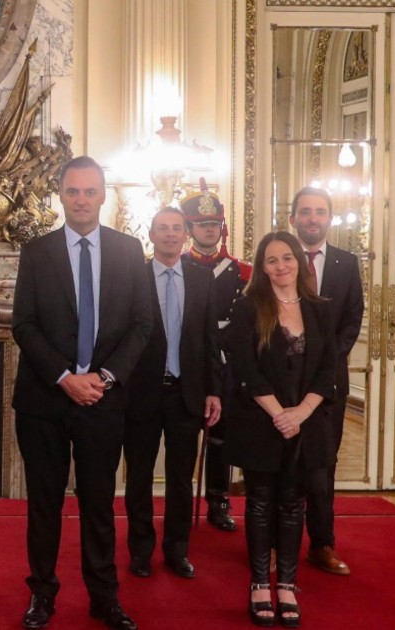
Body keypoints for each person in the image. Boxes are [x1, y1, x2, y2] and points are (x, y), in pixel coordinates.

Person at [11, 156, 152, 630]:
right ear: (61, 195)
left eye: (90, 191)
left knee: (98, 504)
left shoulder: (129, 250)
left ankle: (104, 598)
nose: (82, 200)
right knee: (44, 504)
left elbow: (141, 324)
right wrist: (65, 377)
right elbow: (24, 325)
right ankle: (42, 595)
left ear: (103, 195)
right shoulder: (36, 252)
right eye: (73, 191)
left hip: (103, 400)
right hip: (44, 401)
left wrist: (104, 377)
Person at [223, 230, 336, 628]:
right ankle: (259, 584)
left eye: (287, 257)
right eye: (271, 260)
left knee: (292, 503)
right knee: (259, 502)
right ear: (262, 267)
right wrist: (279, 414)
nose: (281, 266)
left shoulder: (320, 308)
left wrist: (301, 413)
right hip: (261, 420)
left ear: (298, 261)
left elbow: (330, 369)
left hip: (307, 423)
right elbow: (245, 369)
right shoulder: (247, 307)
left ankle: (286, 585)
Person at [123, 208, 222, 581]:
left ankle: (177, 550)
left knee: (181, 479)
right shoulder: (133, 277)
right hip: (142, 393)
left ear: (185, 235)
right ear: (151, 234)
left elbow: (210, 339)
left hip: (186, 394)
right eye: (162, 228)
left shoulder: (202, 279)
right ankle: (140, 550)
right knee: (139, 477)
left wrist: (214, 391)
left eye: (176, 228)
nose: (169, 234)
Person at [289, 186, 364, 576]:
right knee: (281, 469)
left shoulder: (346, 263)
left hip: (328, 384)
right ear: (293, 218)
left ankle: (321, 544)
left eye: (320, 211)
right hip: (284, 383)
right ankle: (275, 545)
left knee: (321, 470)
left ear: (329, 219)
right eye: (305, 211)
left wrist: (323, 363)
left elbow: (352, 319)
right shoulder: (279, 259)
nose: (312, 218)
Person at [181, 184, 252, 532]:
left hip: (226, 363)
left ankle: (219, 498)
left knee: (221, 434)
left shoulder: (242, 272)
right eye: (201, 224)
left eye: (214, 224)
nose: (209, 230)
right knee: (183, 434)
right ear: (189, 228)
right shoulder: (176, 267)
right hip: (186, 362)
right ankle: (180, 501)